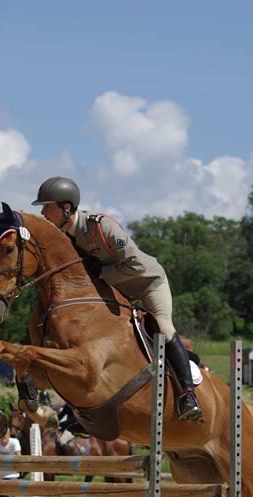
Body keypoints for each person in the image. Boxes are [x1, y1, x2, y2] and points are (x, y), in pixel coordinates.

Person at [32, 176, 202, 423]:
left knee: (164, 328)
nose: (43, 212)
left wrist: (100, 272)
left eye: (47, 206)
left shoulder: (101, 227)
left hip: (147, 284)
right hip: (117, 294)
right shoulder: (66, 239)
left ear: (65, 207)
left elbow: (133, 264)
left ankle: (188, 395)